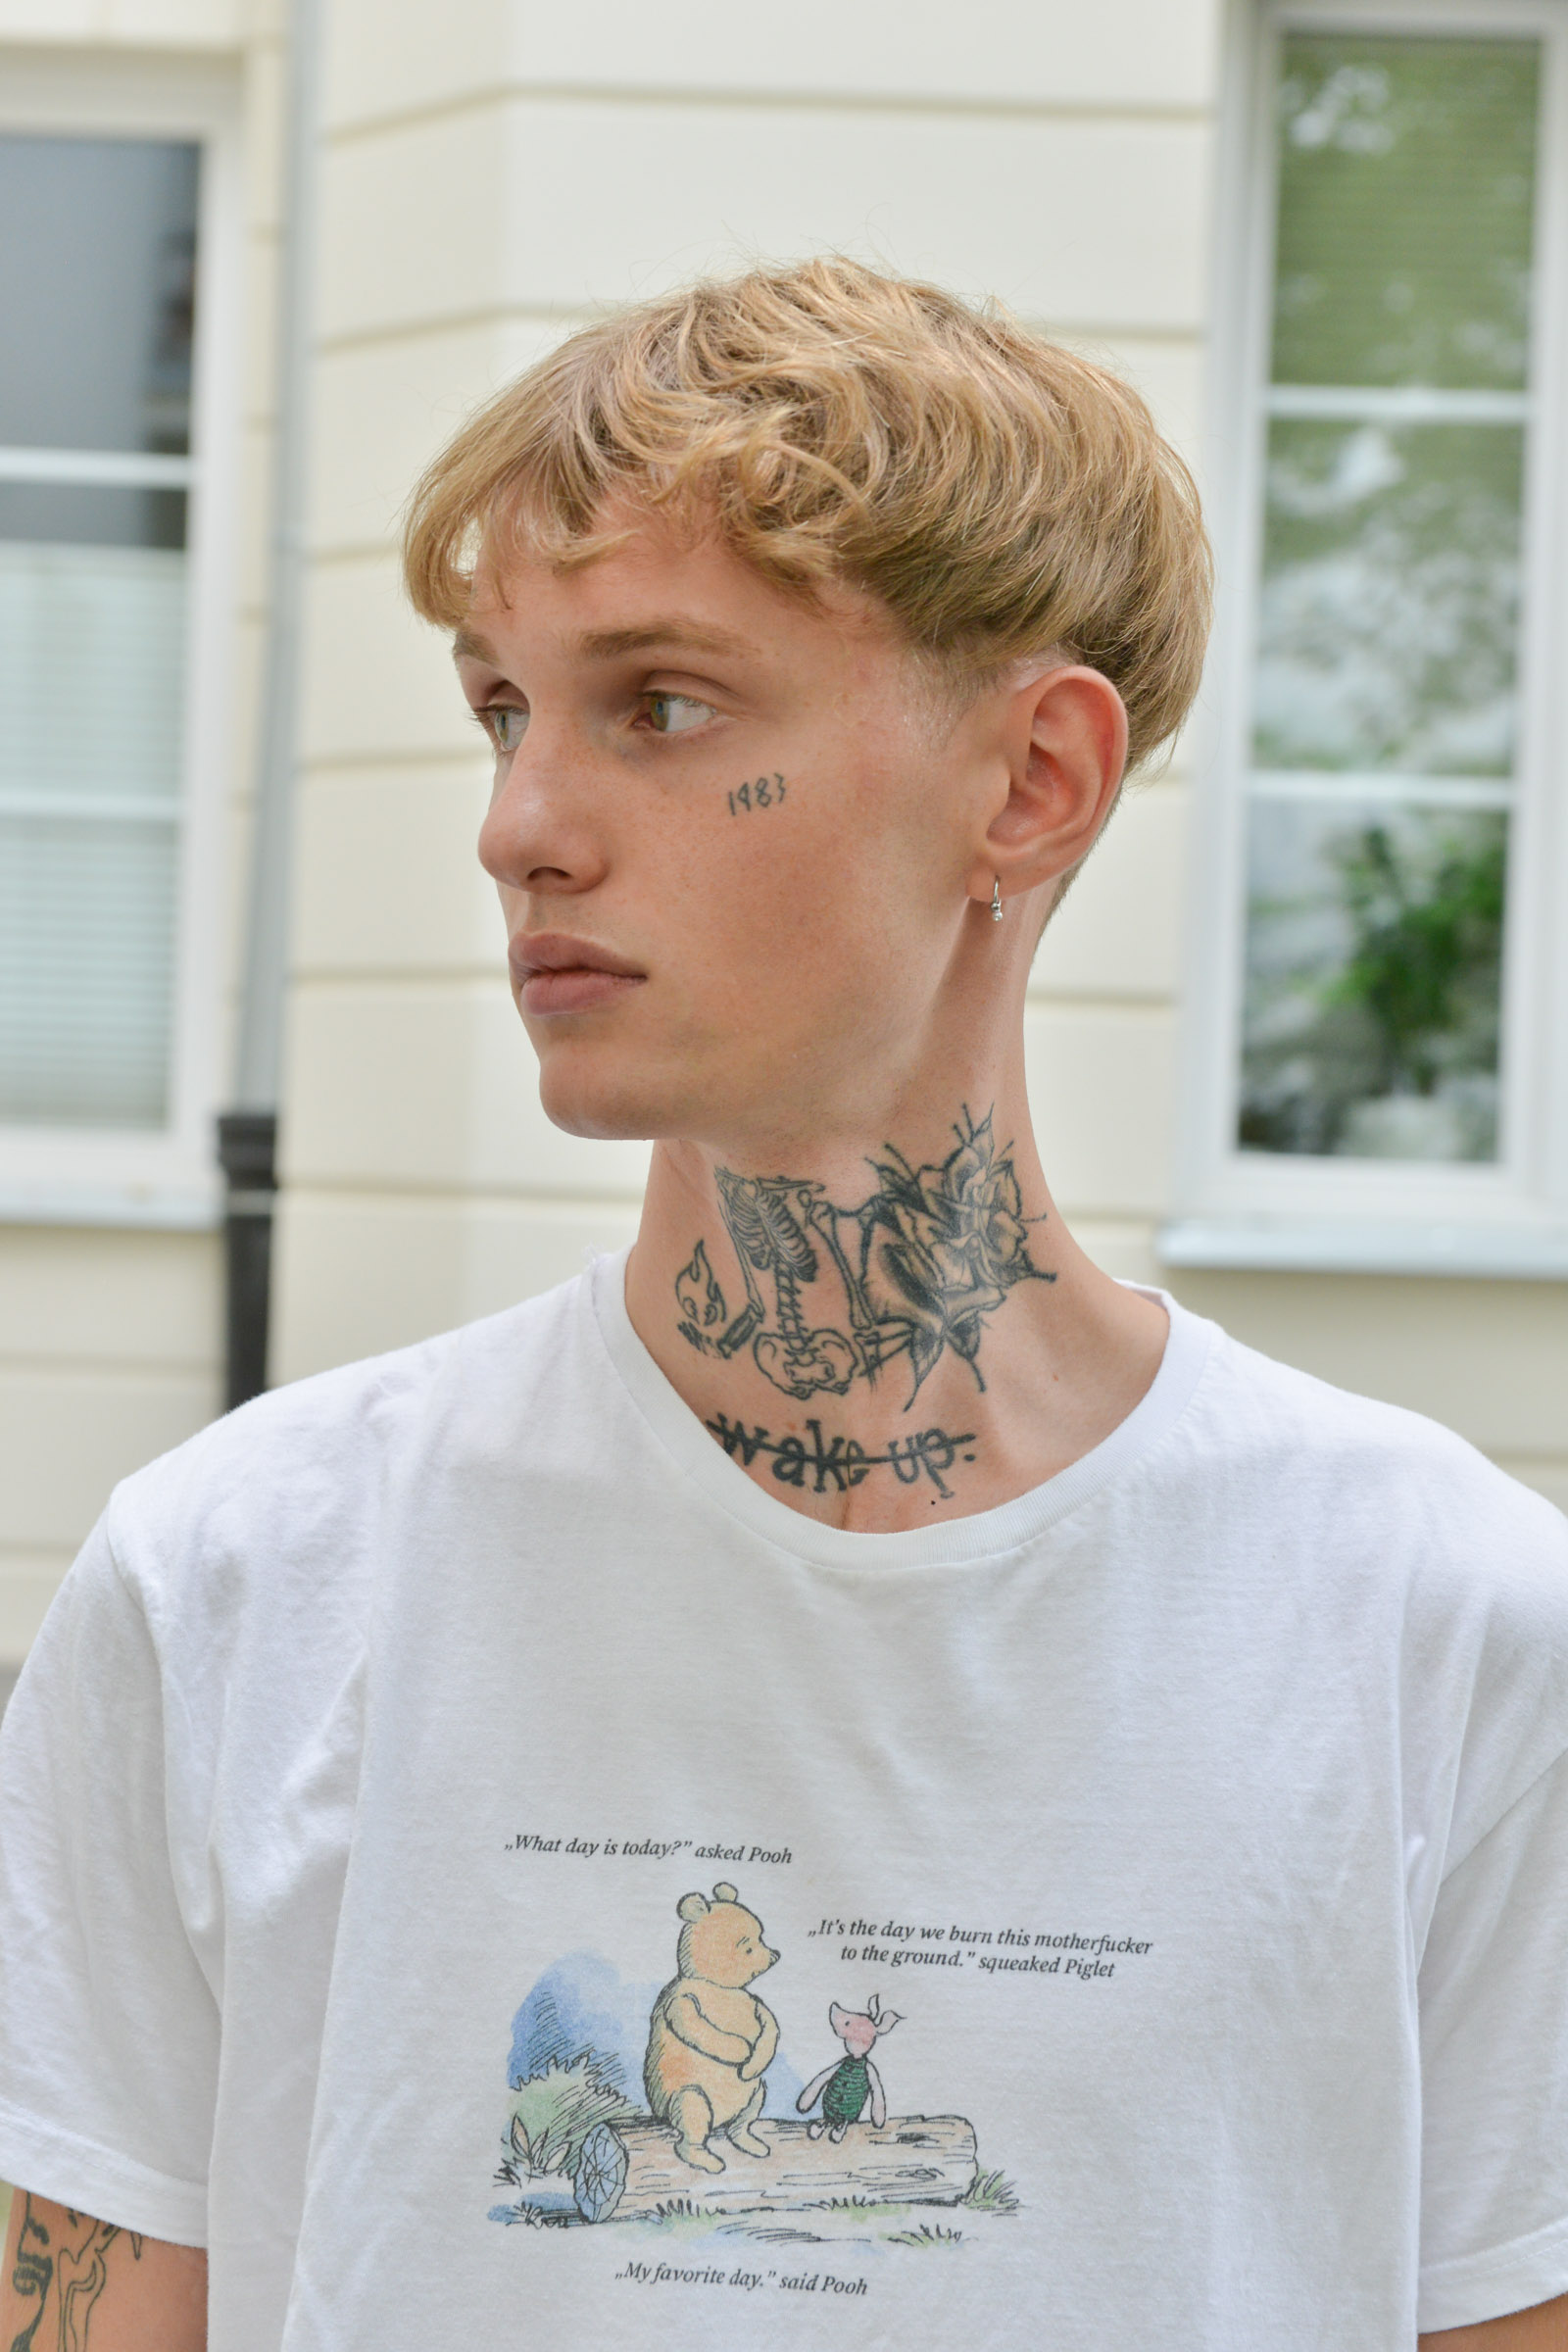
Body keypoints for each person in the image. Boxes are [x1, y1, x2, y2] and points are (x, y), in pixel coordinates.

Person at [1, 257, 1565, 2352]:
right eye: (500, 708)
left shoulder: (1440, 1630)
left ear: (1030, 781)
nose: (519, 827)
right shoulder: (234, 1586)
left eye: (658, 705)